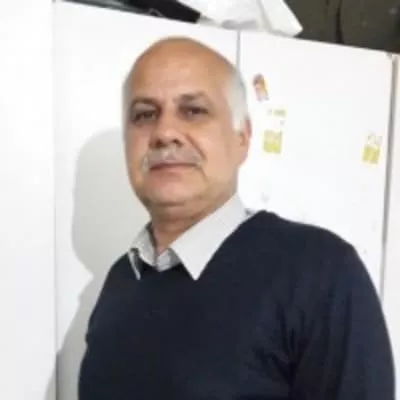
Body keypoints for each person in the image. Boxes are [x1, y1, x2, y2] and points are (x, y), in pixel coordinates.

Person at [78, 37, 395, 400]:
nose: (164, 133)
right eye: (145, 114)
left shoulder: (320, 274)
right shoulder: (122, 280)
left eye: (193, 110)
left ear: (242, 138)